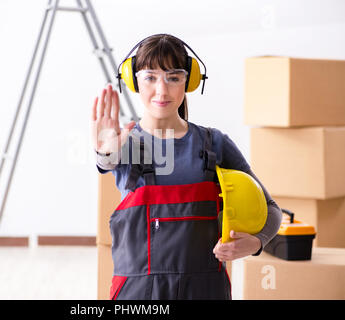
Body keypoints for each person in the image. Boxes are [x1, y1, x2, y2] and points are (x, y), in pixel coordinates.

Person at [91, 34, 282, 300]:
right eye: (150, 77)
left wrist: (257, 241)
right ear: (134, 81)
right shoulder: (124, 144)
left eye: (173, 77)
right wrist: (105, 149)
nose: (162, 90)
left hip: (205, 291)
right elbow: (105, 161)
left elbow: (271, 209)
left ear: (188, 82)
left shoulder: (214, 143)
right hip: (139, 296)